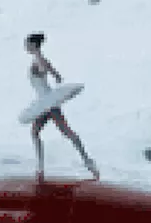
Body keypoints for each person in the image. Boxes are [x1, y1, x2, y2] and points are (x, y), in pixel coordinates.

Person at [22, 32, 98, 182]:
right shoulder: (40, 58)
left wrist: (45, 71)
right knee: (37, 132)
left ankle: (88, 162)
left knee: (65, 132)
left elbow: (44, 70)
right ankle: (41, 168)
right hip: (45, 103)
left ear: (33, 45)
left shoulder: (39, 59)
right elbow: (56, 76)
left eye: (27, 44)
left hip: (48, 104)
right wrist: (52, 74)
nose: (25, 46)